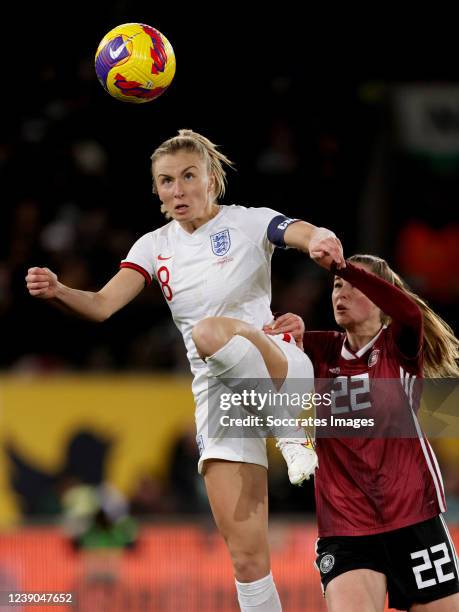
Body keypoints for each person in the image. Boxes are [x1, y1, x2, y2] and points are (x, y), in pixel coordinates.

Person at [26, 129, 345, 612]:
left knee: (208, 333)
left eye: (189, 176)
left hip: (279, 368)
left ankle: (289, 431)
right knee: (246, 560)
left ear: (212, 179)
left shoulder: (248, 221)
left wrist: (319, 237)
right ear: (156, 191)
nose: (178, 190)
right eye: (167, 181)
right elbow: (101, 305)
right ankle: (288, 435)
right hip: (219, 399)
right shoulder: (153, 247)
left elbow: (295, 231)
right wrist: (60, 291)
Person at [265, 255, 459, 611]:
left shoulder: (399, 344)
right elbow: (265, 359)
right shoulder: (320, 350)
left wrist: (342, 266)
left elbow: (411, 313)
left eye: (356, 287)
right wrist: (281, 332)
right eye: (338, 285)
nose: (342, 293)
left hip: (413, 516)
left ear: (382, 297)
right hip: (346, 527)